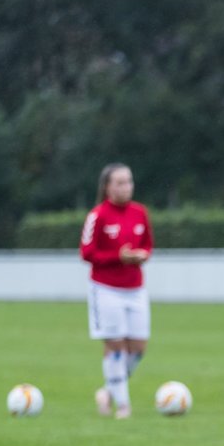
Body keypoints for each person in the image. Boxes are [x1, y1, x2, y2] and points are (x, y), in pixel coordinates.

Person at [80, 163, 153, 419]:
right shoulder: (97, 215)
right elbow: (87, 253)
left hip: (135, 289)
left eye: (129, 181)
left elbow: (148, 246)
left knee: (138, 348)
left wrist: (140, 256)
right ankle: (123, 406)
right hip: (106, 289)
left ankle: (108, 392)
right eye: (120, 182)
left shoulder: (140, 213)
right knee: (117, 346)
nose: (126, 187)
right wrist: (117, 257)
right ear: (107, 187)